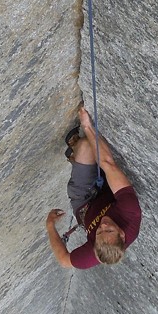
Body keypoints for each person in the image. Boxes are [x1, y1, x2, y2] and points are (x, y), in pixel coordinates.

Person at [46, 106, 141, 269]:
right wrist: (87, 126)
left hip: (83, 201)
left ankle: (79, 158)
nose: (103, 225)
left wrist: (49, 225)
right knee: (88, 145)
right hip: (105, 189)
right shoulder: (131, 213)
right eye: (109, 230)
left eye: (99, 233)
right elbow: (108, 164)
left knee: (85, 147)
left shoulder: (90, 255)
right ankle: (78, 156)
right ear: (121, 234)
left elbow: (64, 259)